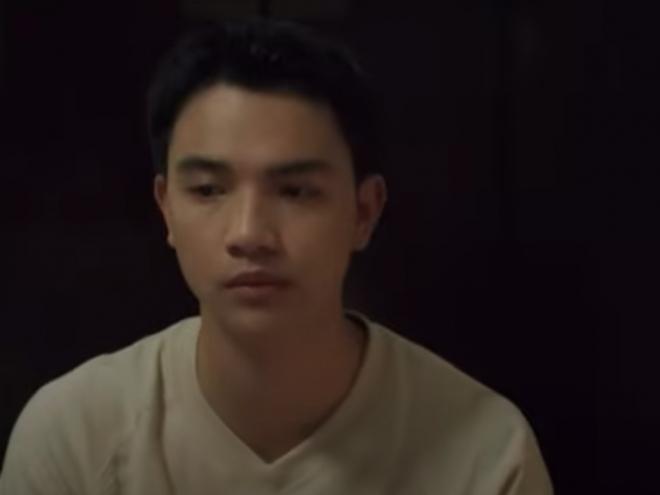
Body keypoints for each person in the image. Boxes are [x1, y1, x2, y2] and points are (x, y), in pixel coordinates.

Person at [0, 19, 553, 494]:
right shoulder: (75, 435)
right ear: (166, 208)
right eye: (209, 190)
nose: (249, 234)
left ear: (364, 211)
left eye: (295, 191)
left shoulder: (485, 452)